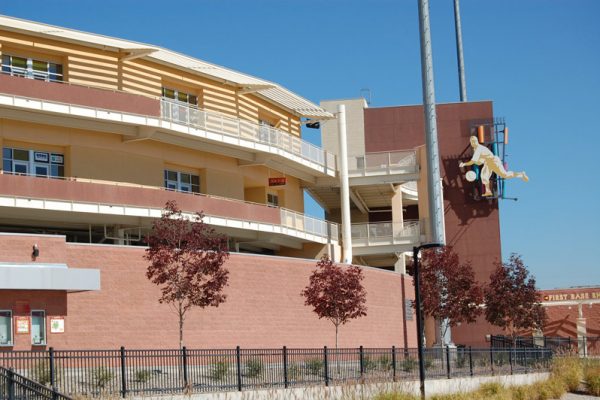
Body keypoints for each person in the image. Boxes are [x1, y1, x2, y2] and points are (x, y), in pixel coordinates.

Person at [459, 136, 528, 197]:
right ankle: (488, 191)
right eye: (472, 142)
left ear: (476, 141)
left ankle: (521, 174)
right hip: (488, 163)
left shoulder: (478, 149)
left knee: (504, 175)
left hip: (493, 161)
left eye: (474, 141)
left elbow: (473, 161)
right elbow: (480, 162)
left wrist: (464, 164)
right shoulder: (477, 149)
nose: (473, 143)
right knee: (484, 176)